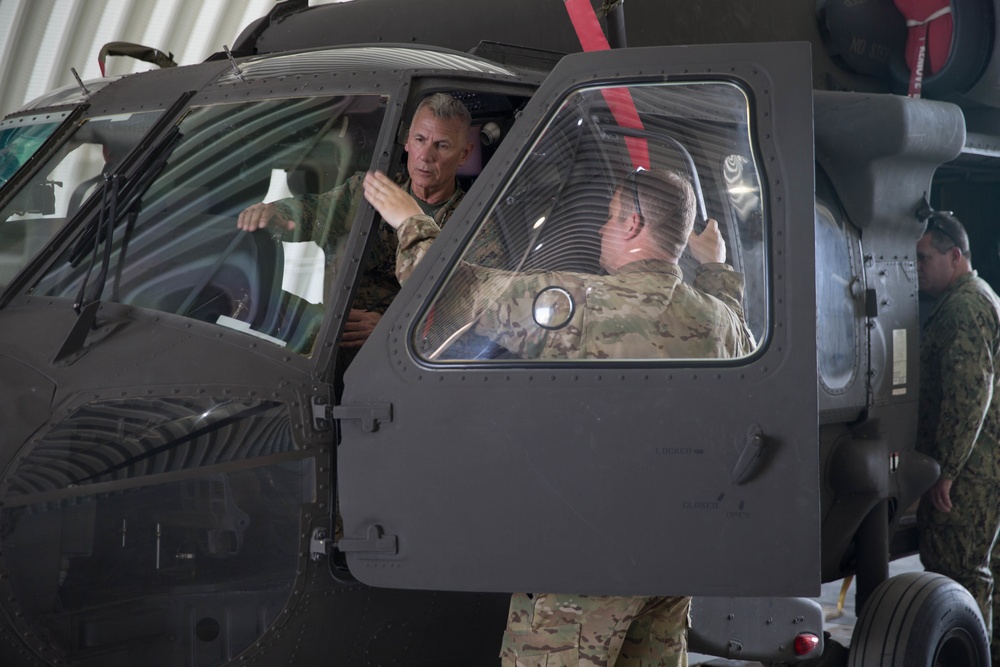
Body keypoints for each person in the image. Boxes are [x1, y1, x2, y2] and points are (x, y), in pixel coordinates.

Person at [364, 166, 752, 665]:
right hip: (676, 553)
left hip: (592, 559)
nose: (599, 229)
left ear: (633, 224)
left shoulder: (580, 304)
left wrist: (411, 220)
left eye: (610, 218)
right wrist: (715, 266)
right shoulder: (717, 322)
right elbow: (732, 317)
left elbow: (450, 291)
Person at [237, 92, 496, 350]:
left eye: (442, 145)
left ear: (464, 154)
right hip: (331, 338)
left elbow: (482, 318)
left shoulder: (476, 224)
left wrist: (392, 328)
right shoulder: (375, 188)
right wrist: (276, 214)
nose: (426, 156)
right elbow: (319, 210)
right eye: (420, 139)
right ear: (407, 141)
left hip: (401, 354)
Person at [915, 211, 1000, 660]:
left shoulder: (965, 307)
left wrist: (945, 470)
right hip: (982, 467)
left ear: (955, 256)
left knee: (961, 576)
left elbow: (970, 395)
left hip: (969, 477)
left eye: (925, 257)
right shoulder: (975, 298)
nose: (918, 267)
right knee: (980, 574)